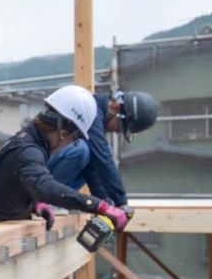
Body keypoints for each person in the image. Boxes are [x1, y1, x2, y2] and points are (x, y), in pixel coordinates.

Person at [0, 84, 129, 230]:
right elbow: (44, 187)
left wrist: (34, 204)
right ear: (62, 133)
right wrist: (100, 206)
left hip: (3, 224)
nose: (72, 144)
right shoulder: (27, 151)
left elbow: (15, 186)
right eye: (74, 139)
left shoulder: (30, 141)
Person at [47, 89, 159, 218]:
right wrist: (121, 203)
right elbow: (103, 159)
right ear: (115, 107)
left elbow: (93, 167)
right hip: (35, 175)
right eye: (119, 126)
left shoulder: (95, 115)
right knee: (82, 150)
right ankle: (48, 199)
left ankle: (57, 200)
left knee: (90, 152)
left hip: (45, 173)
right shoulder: (89, 109)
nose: (116, 131)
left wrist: (105, 203)